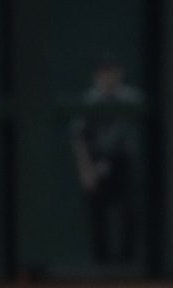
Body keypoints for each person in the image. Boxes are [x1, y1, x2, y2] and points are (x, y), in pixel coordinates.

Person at [70, 59, 142, 264]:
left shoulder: (131, 99)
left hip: (124, 162)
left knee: (129, 211)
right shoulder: (89, 101)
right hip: (97, 161)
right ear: (96, 76)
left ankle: (128, 263)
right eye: (104, 73)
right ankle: (101, 264)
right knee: (98, 214)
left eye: (112, 72)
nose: (108, 78)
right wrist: (86, 170)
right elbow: (78, 138)